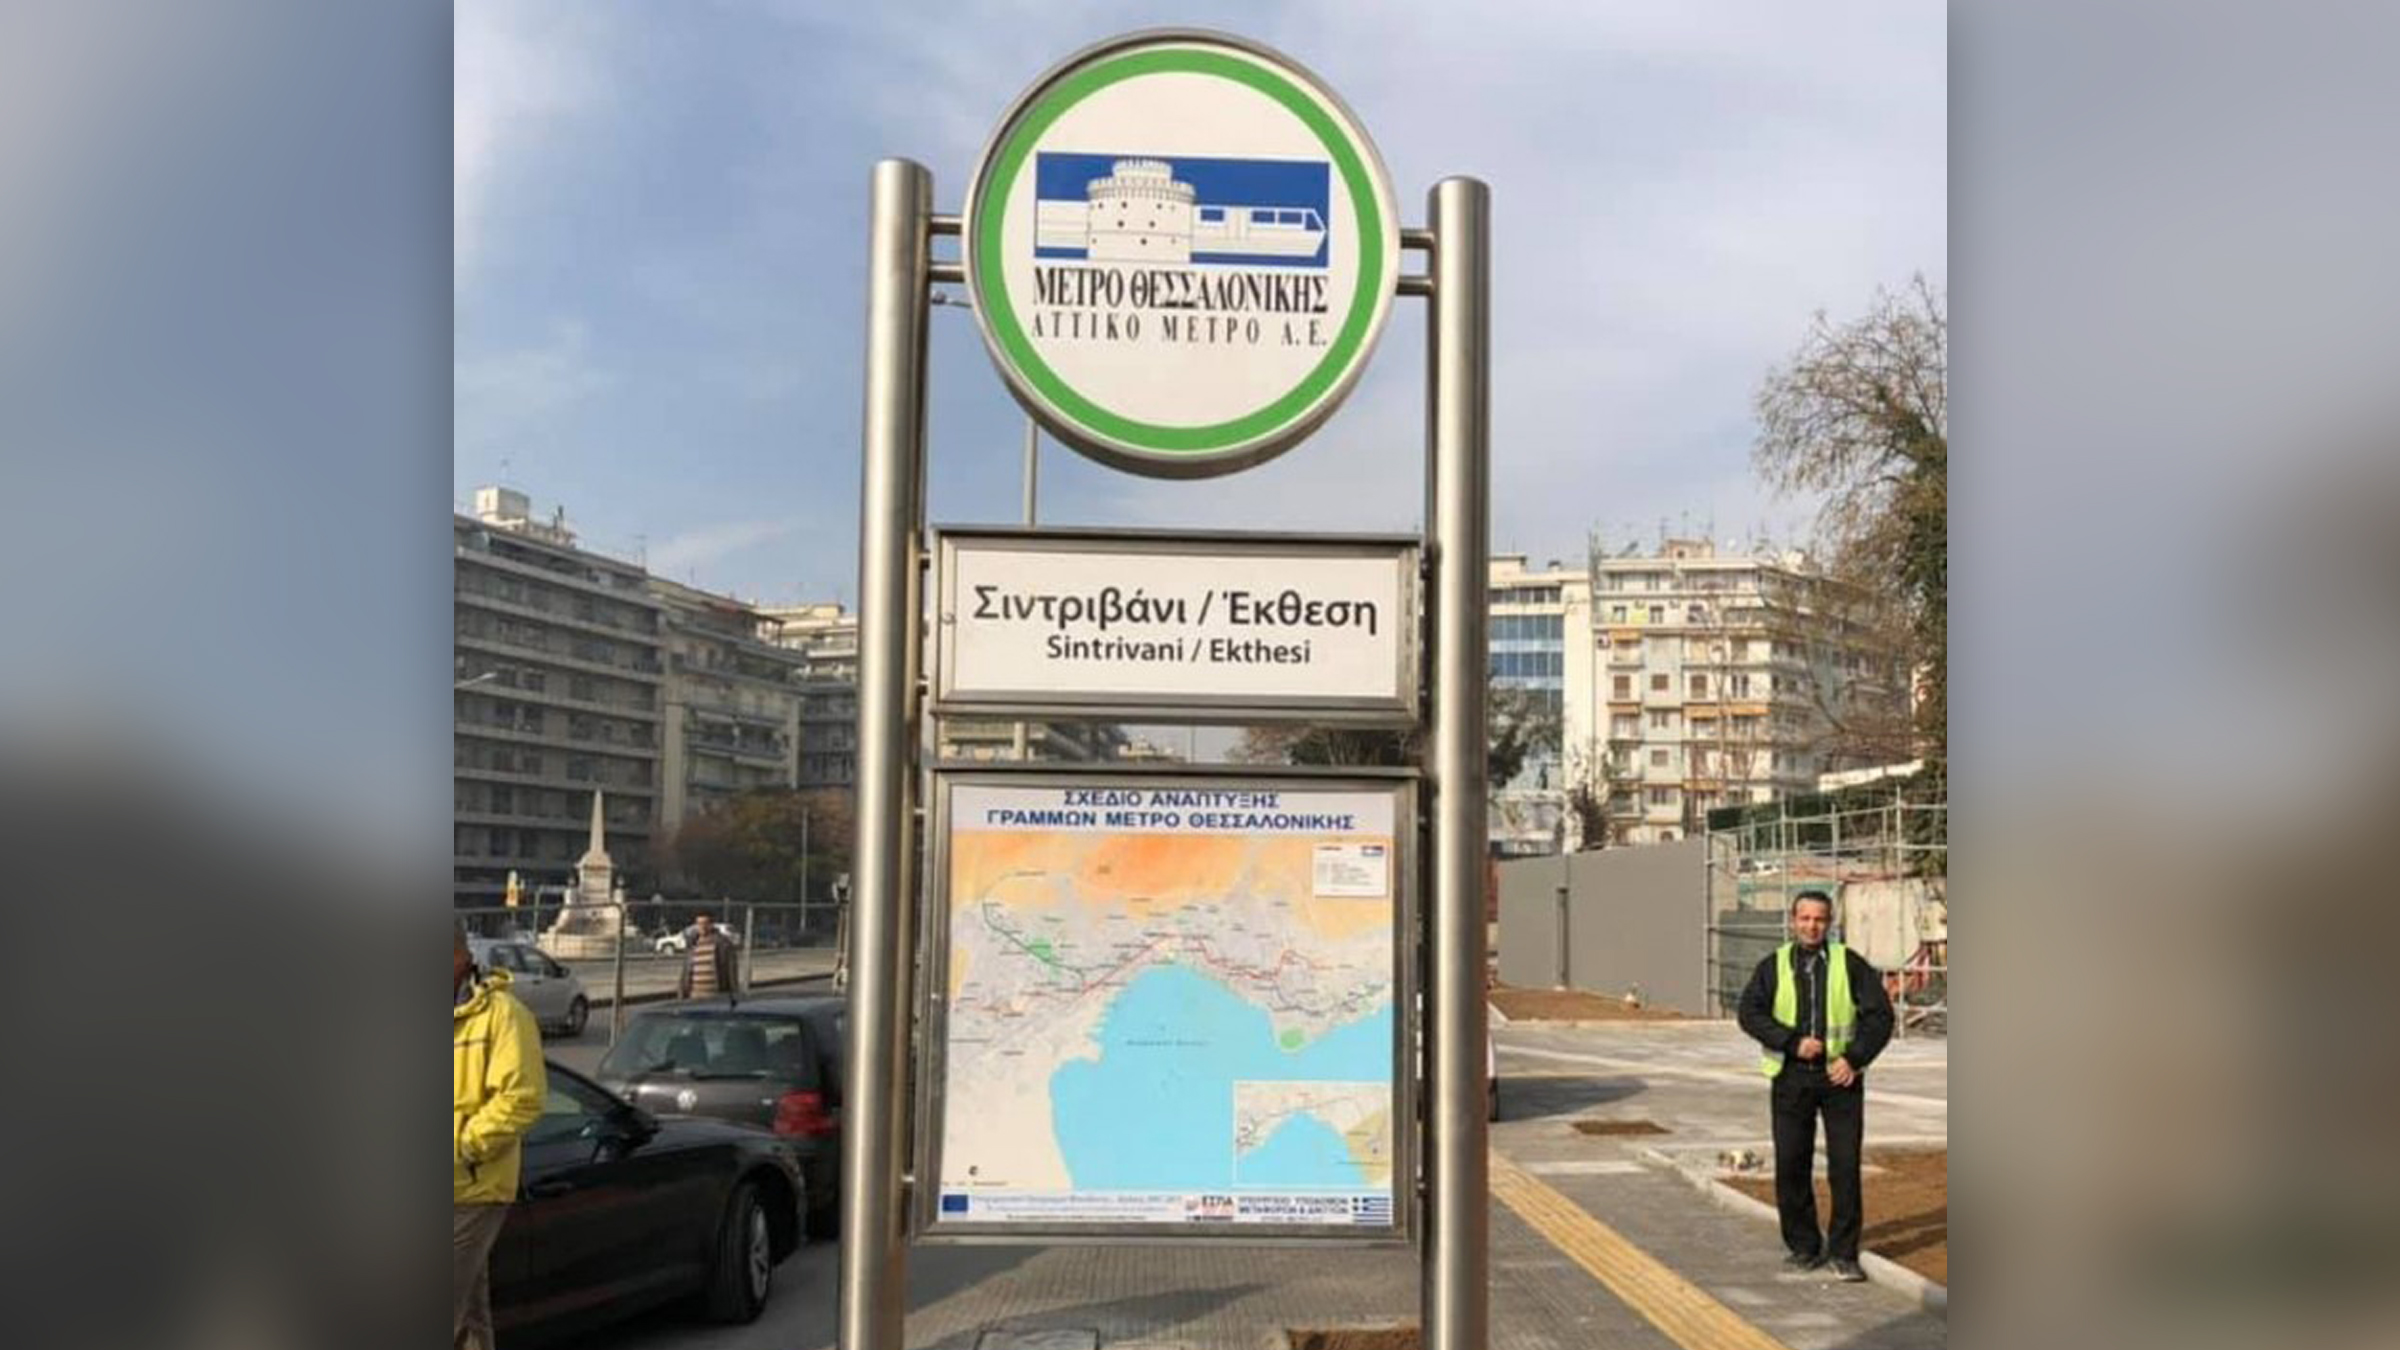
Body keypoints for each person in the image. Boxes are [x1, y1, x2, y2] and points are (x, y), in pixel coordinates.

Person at [1736, 889, 1894, 1282]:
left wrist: (1854, 1059)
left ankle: (1843, 1252)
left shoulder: (1849, 964)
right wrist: (1790, 1041)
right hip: (1791, 1079)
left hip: (1840, 1080)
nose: (1812, 925)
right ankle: (1804, 1246)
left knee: (1844, 1167)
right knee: (1791, 1164)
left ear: (1830, 922)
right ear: (1793, 921)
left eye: (1819, 919)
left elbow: (1880, 1016)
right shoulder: (1772, 967)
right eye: (1805, 918)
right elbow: (1749, 1013)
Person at [454, 917, 546, 1350]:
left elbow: (521, 1099)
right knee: (470, 1315)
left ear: (457, 955)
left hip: (472, 1186)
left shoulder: (504, 1016)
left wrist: (463, 1146)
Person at [677, 911, 741, 1000]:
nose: (702, 927)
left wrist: (734, 994)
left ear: (711, 925)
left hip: (715, 997)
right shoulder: (693, 944)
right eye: (699, 924)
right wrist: (681, 994)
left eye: (705, 923)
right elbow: (685, 972)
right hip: (694, 996)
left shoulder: (723, 944)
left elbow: (731, 972)